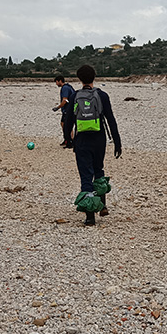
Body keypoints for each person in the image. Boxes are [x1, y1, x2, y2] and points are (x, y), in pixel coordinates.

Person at [63, 65, 122, 226]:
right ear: (94, 77)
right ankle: (102, 205)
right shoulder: (102, 95)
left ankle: (90, 216)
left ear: (79, 79)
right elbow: (110, 119)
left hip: (82, 141)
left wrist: (68, 139)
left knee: (86, 176)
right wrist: (117, 141)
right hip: (99, 139)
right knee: (98, 169)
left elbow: (69, 121)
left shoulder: (75, 96)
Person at [52, 75, 76, 148]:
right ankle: (68, 139)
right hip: (70, 109)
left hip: (68, 110)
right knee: (63, 124)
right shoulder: (68, 86)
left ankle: (69, 140)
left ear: (59, 81)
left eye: (56, 82)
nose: (56, 84)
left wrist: (58, 107)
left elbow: (64, 100)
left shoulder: (65, 88)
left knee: (66, 125)